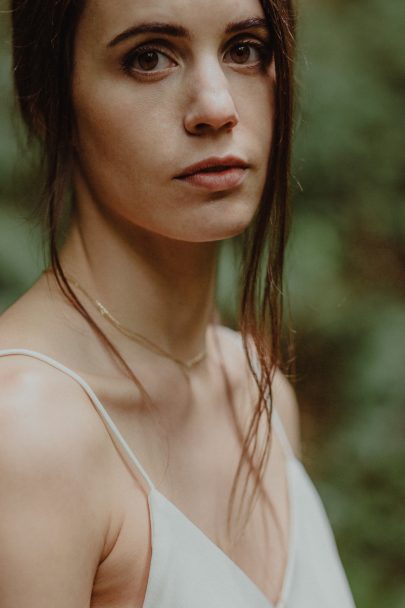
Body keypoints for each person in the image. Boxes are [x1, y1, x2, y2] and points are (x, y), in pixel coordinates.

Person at [0, 0, 356, 606]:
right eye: (149, 58)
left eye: (246, 50)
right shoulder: (26, 433)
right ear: (46, 101)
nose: (217, 107)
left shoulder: (257, 390)